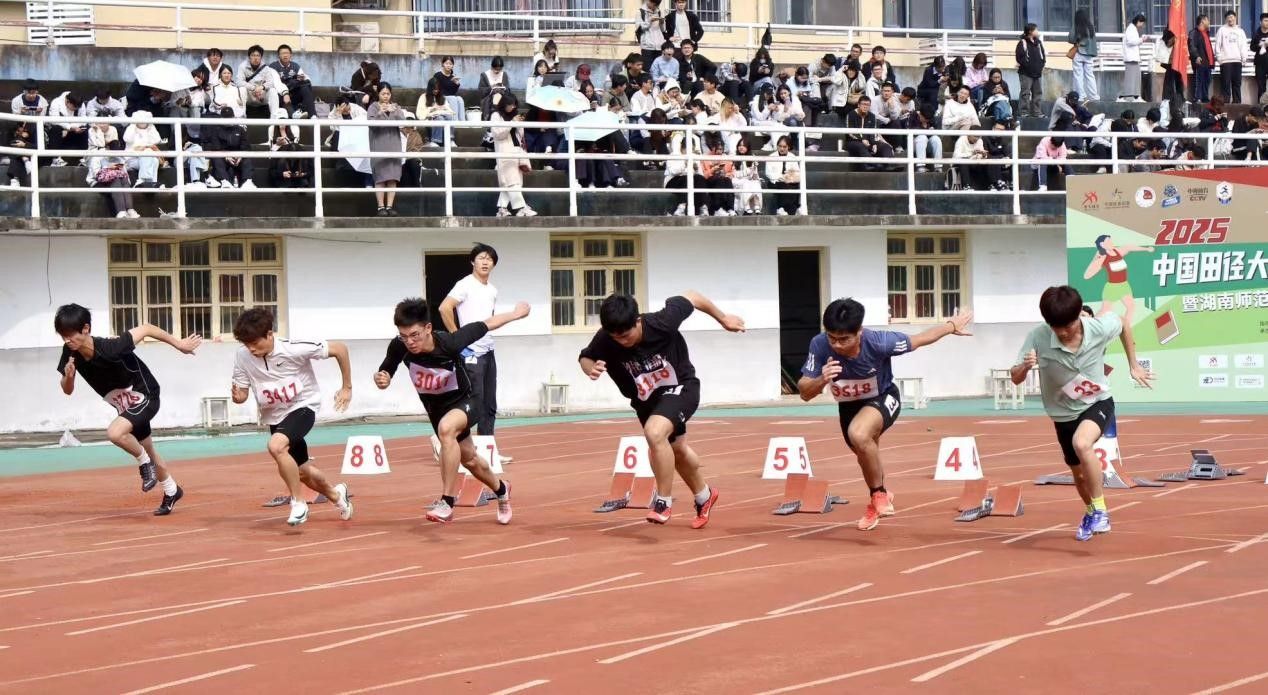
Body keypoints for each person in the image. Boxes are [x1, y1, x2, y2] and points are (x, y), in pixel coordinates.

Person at [798, 298, 973, 531]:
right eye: (832, 338)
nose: (837, 345)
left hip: (883, 397)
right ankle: (878, 497)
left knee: (859, 434)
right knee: (864, 454)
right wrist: (822, 378)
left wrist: (950, 326)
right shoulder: (819, 345)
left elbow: (920, 339)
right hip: (849, 406)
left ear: (859, 332)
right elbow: (804, 393)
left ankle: (878, 493)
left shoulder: (879, 342)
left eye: (844, 339)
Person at [578, 292, 745, 527]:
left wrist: (723, 318)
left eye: (626, 336)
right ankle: (704, 495)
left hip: (681, 387)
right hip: (647, 401)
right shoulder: (606, 337)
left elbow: (692, 297)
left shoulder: (663, 321)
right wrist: (590, 369)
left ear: (637, 321)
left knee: (655, 433)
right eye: (616, 337)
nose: (622, 341)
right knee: (676, 450)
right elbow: (585, 357)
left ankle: (662, 501)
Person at [1010, 286, 1152, 542]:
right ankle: (1091, 511)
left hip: (1097, 402)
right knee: (1079, 474)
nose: (1064, 333)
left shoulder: (1098, 328)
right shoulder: (1037, 337)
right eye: (1057, 328)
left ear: (1078, 316)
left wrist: (1134, 364)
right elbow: (1015, 378)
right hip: (1062, 414)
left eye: (1069, 326)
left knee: (1082, 443)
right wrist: (1025, 367)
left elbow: (1122, 323)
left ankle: (1101, 510)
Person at [374, 298, 530, 524]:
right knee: (470, 460)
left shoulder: (450, 343)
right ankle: (502, 489)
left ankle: (447, 502)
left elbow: (486, 324)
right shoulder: (399, 346)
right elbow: (387, 367)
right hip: (437, 409)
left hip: (467, 400)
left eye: (415, 335)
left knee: (446, 429)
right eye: (404, 336)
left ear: (428, 328)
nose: (410, 342)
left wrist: (516, 313)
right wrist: (383, 378)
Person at [54, 304, 199, 515]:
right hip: (125, 405)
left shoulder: (111, 347)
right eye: (63, 336)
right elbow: (67, 390)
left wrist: (180, 344)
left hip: (146, 394)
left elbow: (147, 328)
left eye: (70, 334)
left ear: (85, 329)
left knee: (115, 433)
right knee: (148, 449)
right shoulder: (70, 353)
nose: (67, 340)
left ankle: (144, 464)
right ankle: (172, 490)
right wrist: (68, 376)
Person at [230, 308, 354, 527]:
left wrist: (346, 388)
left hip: (302, 407)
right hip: (275, 416)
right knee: (302, 472)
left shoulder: (293, 349)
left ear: (270, 334)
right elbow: (241, 393)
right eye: (246, 344)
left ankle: (298, 503)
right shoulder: (242, 356)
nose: (251, 349)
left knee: (276, 446)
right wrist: (238, 396)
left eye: (255, 343)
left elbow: (340, 349)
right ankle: (337, 495)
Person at [438, 243, 513, 465]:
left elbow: (489, 318)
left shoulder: (492, 290)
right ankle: (445, 441)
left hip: (488, 349)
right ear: (472, 261)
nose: (485, 262)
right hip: (470, 352)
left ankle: (488, 450)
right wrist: (458, 339)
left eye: (489, 259)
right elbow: (444, 308)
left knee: (489, 404)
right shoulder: (465, 284)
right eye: (481, 258)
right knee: (473, 403)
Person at [1083, 234, 1153, 324]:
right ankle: (1091, 325)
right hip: (1112, 287)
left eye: (1110, 240)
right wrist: (1095, 259)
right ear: (1102, 245)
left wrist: (1146, 249)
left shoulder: (1117, 251)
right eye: (1108, 241)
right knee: (1105, 310)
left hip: (1124, 285)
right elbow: (1087, 275)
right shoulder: (1103, 257)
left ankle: (1126, 328)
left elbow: (1129, 247)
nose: (1111, 242)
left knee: (1131, 306)